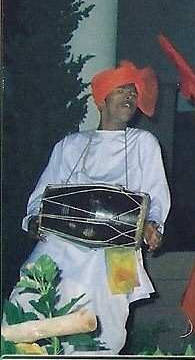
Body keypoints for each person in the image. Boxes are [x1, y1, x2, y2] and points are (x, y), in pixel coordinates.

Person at [9, 61, 169, 354]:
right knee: (29, 306)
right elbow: (41, 197)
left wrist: (152, 225)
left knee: (106, 331)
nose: (129, 96)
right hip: (62, 245)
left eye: (133, 92)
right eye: (120, 90)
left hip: (119, 251)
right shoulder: (70, 145)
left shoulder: (144, 143)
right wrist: (33, 220)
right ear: (102, 101)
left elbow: (156, 195)